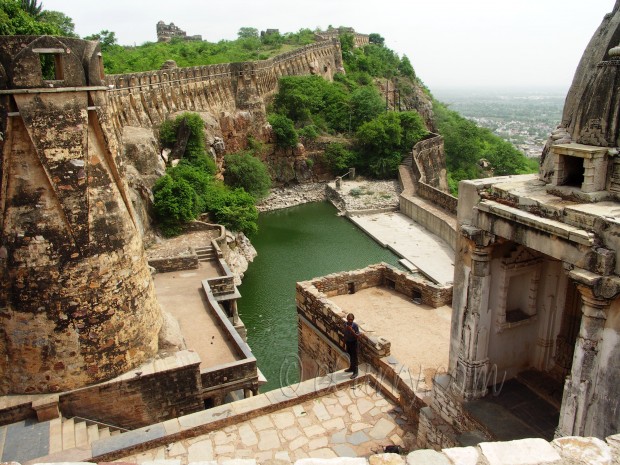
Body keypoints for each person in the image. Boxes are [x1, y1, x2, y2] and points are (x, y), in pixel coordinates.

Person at [343, 313, 360, 379]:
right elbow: (345, 335)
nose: (350, 321)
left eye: (351, 320)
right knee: (350, 355)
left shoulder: (355, 326)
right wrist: (343, 344)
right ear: (347, 319)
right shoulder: (345, 325)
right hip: (348, 342)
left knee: (354, 357)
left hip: (354, 343)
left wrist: (351, 330)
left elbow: (357, 336)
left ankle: (356, 371)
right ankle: (351, 368)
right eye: (349, 320)